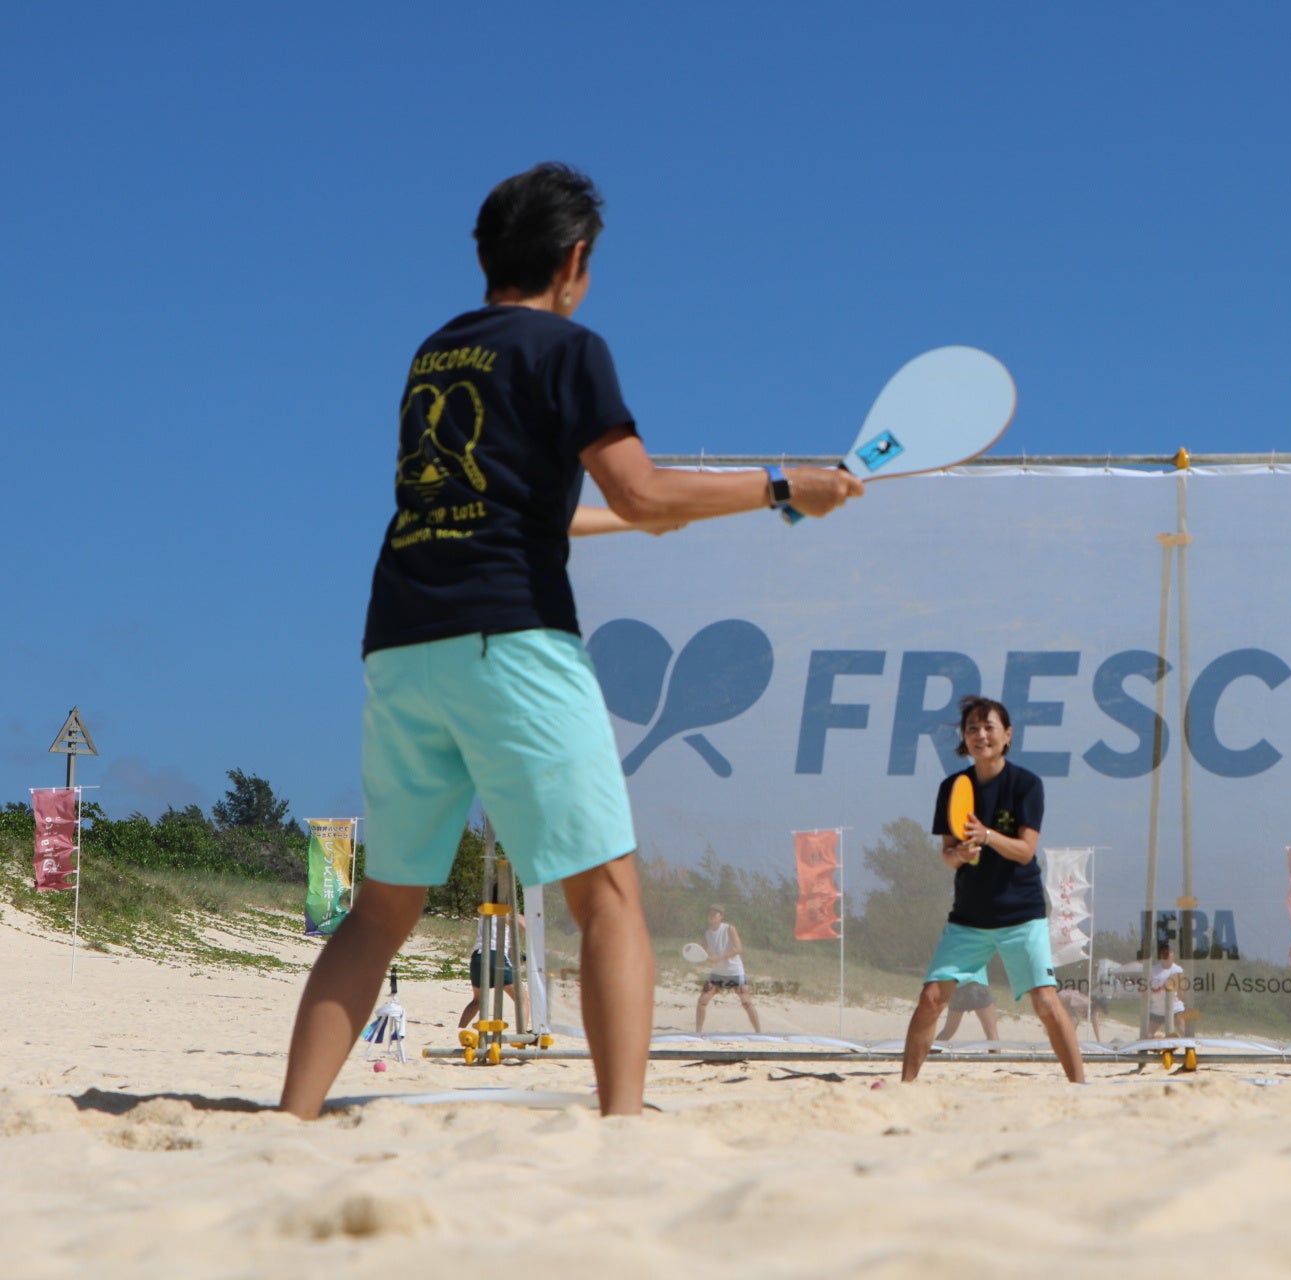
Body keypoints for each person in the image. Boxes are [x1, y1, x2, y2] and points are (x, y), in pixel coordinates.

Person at [278, 163, 862, 1120]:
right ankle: (622, 1123)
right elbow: (641, 488)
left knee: (383, 907)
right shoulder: (567, 346)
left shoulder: (435, 355)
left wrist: (648, 516)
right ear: (576, 260)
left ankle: (291, 1120)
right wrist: (781, 486)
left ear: (488, 253)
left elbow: (520, 507)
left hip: (400, 639)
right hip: (510, 641)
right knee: (608, 897)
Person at [901, 695, 1086, 1083]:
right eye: (972, 728)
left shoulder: (1026, 784)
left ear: (1007, 735)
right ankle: (905, 1087)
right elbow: (948, 855)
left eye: (989, 727)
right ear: (964, 738)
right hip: (969, 919)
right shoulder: (953, 787)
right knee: (931, 999)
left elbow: (1025, 851)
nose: (980, 735)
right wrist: (961, 854)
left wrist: (987, 836)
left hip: (1022, 915)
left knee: (1046, 1002)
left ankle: (1079, 1085)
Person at [695, 905, 761, 1033]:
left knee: (747, 1003)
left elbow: (739, 948)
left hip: (735, 972)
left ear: (721, 916)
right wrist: (694, 952)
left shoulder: (729, 928)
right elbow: (701, 949)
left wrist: (719, 958)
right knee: (702, 1002)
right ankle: (698, 1033)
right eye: (710, 914)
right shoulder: (708, 933)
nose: (712, 916)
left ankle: (759, 1033)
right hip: (717, 974)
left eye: (715, 914)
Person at [457, 906, 522, 1029]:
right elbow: (525, 927)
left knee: (477, 1000)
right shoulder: (505, 912)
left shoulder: (485, 912)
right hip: (496, 955)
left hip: (478, 956)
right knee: (521, 999)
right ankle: (522, 1032)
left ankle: (460, 1029)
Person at [934, 980, 1001, 1042]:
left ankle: (932, 1050)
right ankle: (995, 1051)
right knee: (992, 1032)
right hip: (978, 984)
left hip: (957, 988)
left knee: (947, 1031)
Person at [1148, 942, 1190, 1036]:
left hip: (1174, 1007)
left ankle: (1189, 1045)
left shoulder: (1178, 970)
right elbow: (1147, 988)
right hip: (1158, 1007)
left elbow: (1181, 993)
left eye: (1169, 952)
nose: (1166, 955)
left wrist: (1182, 1001)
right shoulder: (1153, 970)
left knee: (1183, 1031)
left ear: (1174, 955)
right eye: (1163, 952)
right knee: (1148, 1035)